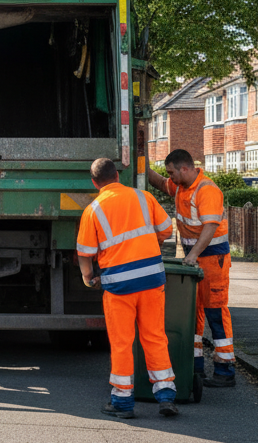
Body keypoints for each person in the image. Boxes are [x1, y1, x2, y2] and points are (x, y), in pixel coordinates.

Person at [78, 157, 178, 419]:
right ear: (118, 176)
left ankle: (123, 402)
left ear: (94, 183)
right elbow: (166, 230)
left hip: (119, 285)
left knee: (122, 342)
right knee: (155, 336)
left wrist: (88, 276)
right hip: (152, 280)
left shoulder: (94, 209)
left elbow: (85, 252)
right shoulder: (143, 197)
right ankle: (166, 395)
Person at [147, 149, 235, 388]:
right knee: (193, 315)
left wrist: (193, 254)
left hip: (212, 260)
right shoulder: (182, 187)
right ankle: (194, 368)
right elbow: (157, 182)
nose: (170, 178)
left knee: (215, 312)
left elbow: (209, 227)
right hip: (194, 260)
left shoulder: (206, 190)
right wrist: (139, 159)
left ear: (184, 169)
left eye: (172, 172)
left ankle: (225, 370)